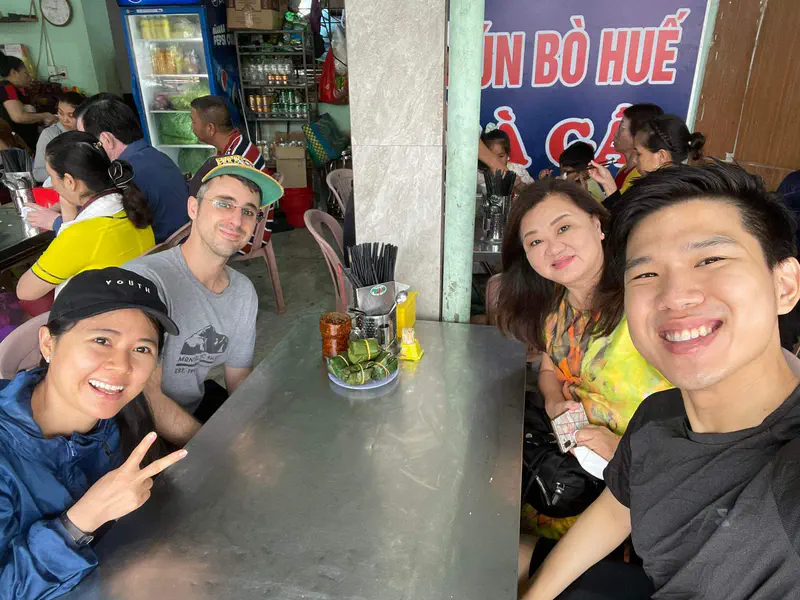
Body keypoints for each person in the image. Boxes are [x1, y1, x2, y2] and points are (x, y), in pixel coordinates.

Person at [523, 162, 800, 600]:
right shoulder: (659, 416)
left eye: (710, 259)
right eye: (646, 274)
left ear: (785, 285)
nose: (675, 295)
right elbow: (620, 507)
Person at [496, 179, 671, 581]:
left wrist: (623, 451)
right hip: (562, 479)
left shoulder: (645, 305)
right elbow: (548, 368)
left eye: (563, 228)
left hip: (629, 503)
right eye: (535, 242)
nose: (552, 247)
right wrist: (555, 400)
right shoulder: (555, 307)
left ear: (597, 224)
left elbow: (706, 419)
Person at [0, 267, 188, 598]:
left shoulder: (125, 418)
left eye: (142, 349)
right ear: (48, 343)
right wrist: (79, 523)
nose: (122, 366)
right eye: (101, 340)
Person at [125, 155, 283, 439]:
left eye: (249, 211)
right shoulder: (148, 283)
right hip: (137, 433)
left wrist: (250, 435)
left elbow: (238, 375)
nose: (237, 220)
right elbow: (145, 398)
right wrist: (218, 452)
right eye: (224, 203)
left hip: (191, 414)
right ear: (193, 208)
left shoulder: (242, 292)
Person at [30, 93, 192, 244]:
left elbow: (94, 241)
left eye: (86, 140)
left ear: (106, 140)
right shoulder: (156, 157)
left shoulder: (123, 177)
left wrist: (55, 222)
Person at [16, 131, 155, 301]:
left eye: (52, 177)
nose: (52, 185)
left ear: (69, 181)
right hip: (130, 300)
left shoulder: (82, 235)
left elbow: (25, 291)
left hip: (96, 314)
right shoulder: (131, 206)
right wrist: (67, 202)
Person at [189, 94, 276, 241]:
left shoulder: (235, 160)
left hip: (248, 233)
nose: (192, 127)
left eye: (193, 122)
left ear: (210, 128)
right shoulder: (236, 144)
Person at [591, 114, 706, 213]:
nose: (635, 160)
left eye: (639, 154)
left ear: (661, 156)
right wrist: (608, 186)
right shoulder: (682, 187)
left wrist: (610, 189)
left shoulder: (665, 197)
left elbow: (624, 227)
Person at [0, 55, 55, 150]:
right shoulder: (7, 87)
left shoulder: (8, 88)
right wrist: (45, 115)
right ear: (14, 73)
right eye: (25, 72)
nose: (29, 76)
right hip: (17, 146)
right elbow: (18, 117)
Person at [32, 91, 86, 182]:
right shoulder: (50, 134)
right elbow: (38, 173)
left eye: (71, 115)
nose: (65, 120)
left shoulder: (89, 131)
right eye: (61, 113)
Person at [612, 103, 664, 194]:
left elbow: (618, 205)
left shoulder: (640, 174)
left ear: (639, 135)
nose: (615, 133)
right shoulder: (625, 169)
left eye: (622, 128)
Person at [538, 142, 605, 201]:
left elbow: (602, 211)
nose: (562, 175)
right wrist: (545, 182)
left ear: (583, 173)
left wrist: (586, 195)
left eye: (566, 172)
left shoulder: (592, 186)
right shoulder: (561, 180)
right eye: (561, 171)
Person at [478, 129, 533, 193]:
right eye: (492, 156)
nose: (497, 161)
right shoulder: (480, 174)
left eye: (501, 156)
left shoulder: (517, 169)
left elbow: (532, 192)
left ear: (507, 154)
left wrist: (519, 184)